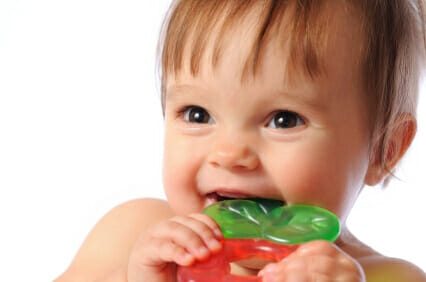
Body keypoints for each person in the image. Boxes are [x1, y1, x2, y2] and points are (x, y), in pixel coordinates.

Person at [55, 0, 426, 281]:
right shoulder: (127, 237)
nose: (229, 154)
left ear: (384, 149)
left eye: (284, 120)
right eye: (197, 114)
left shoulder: (391, 277)